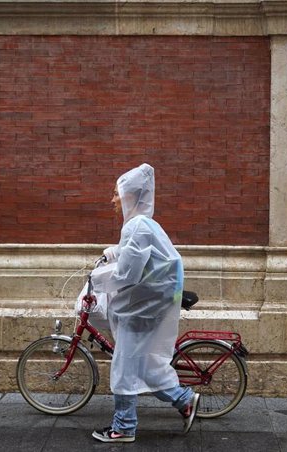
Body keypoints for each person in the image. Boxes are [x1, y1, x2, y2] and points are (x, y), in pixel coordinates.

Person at [89, 163, 200, 443]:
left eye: (116, 193)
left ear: (129, 195)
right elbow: (137, 258)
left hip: (142, 307)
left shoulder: (136, 227)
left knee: (126, 363)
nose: (112, 199)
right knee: (143, 362)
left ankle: (124, 426)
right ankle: (183, 399)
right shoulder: (143, 224)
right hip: (151, 303)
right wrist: (113, 253)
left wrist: (98, 279)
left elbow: (128, 274)